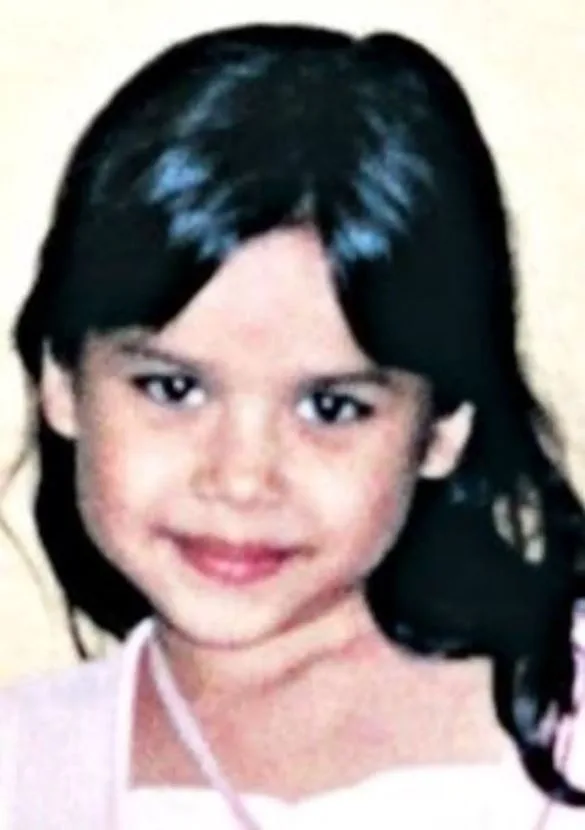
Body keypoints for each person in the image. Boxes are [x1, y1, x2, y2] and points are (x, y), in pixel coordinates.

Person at [1, 22, 585, 829]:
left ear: (442, 426)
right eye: (173, 388)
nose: (241, 478)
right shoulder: (25, 767)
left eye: (330, 407)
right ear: (61, 383)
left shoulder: (561, 721)